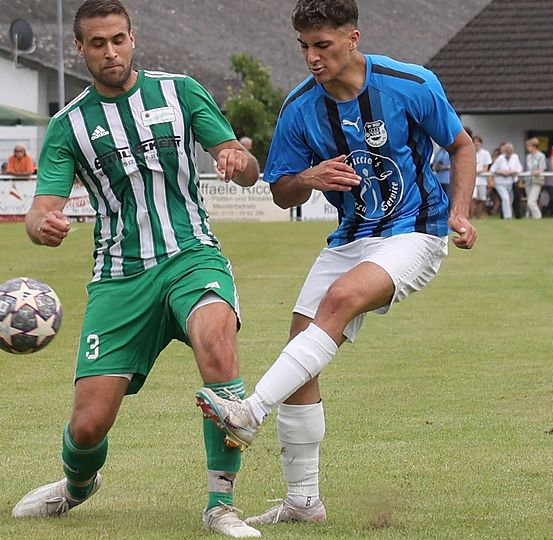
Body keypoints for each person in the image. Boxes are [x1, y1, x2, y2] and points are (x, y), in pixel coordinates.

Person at [195, 0, 477, 527]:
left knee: (340, 298)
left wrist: (459, 212)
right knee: (301, 352)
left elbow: (461, 146)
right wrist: (310, 178)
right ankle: (304, 502)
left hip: (416, 230)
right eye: (304, 46)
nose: (312, 57)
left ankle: (250, 412)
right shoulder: (299, 107)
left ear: (353, 38)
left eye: (322, 45)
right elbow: (281, 190)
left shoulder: (411, 84)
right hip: (350, 237)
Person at [13, 1, 261, 537]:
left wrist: (238, 161)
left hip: (191, 254)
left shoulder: (180, 92)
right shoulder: (68, 125)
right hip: (119, 276)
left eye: (118, 39)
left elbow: (244, 167)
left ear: (133, 38)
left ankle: (221, 504)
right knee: (88, 426)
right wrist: (41, 225)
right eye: (98, 43)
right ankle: (77, 484)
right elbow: (40, 210)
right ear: (79, 49)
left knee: (217, 343)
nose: (111, 52)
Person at [489, 142, 522, 219]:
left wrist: (513, 171)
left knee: (510, 200)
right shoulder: (500, 158)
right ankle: (507, 217)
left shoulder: (515, 157)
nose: (509, 151)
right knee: (505, 198)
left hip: (510, 183)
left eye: (510, 150)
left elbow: (519, 168)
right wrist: (501, 172)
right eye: (507, 150)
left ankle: (507, 215)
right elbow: (492, 169)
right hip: (500, 183)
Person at [524, 138, 546, 219]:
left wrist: (536, 172)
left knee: (531, 202)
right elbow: (528, 168)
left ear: (534, 146)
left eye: (528, 146)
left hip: (537, 180)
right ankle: (533, 218)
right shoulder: (528, 156)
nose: (527, 148)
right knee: (530, 201)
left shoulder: (541, 156)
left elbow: (542, 168)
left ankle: (538, 217)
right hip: (528, 180)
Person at [470, 134, 492, 219]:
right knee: (473, 199)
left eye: (478, 142)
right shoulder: (470, 152)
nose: (476, 144)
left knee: (482, 199)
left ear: (481, 143)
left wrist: (479, 171)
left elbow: (486, 167)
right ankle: (471, 217)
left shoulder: (485, 153)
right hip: (472, 179)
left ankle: (478, 217)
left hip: (482, 180)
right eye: (474, 142)